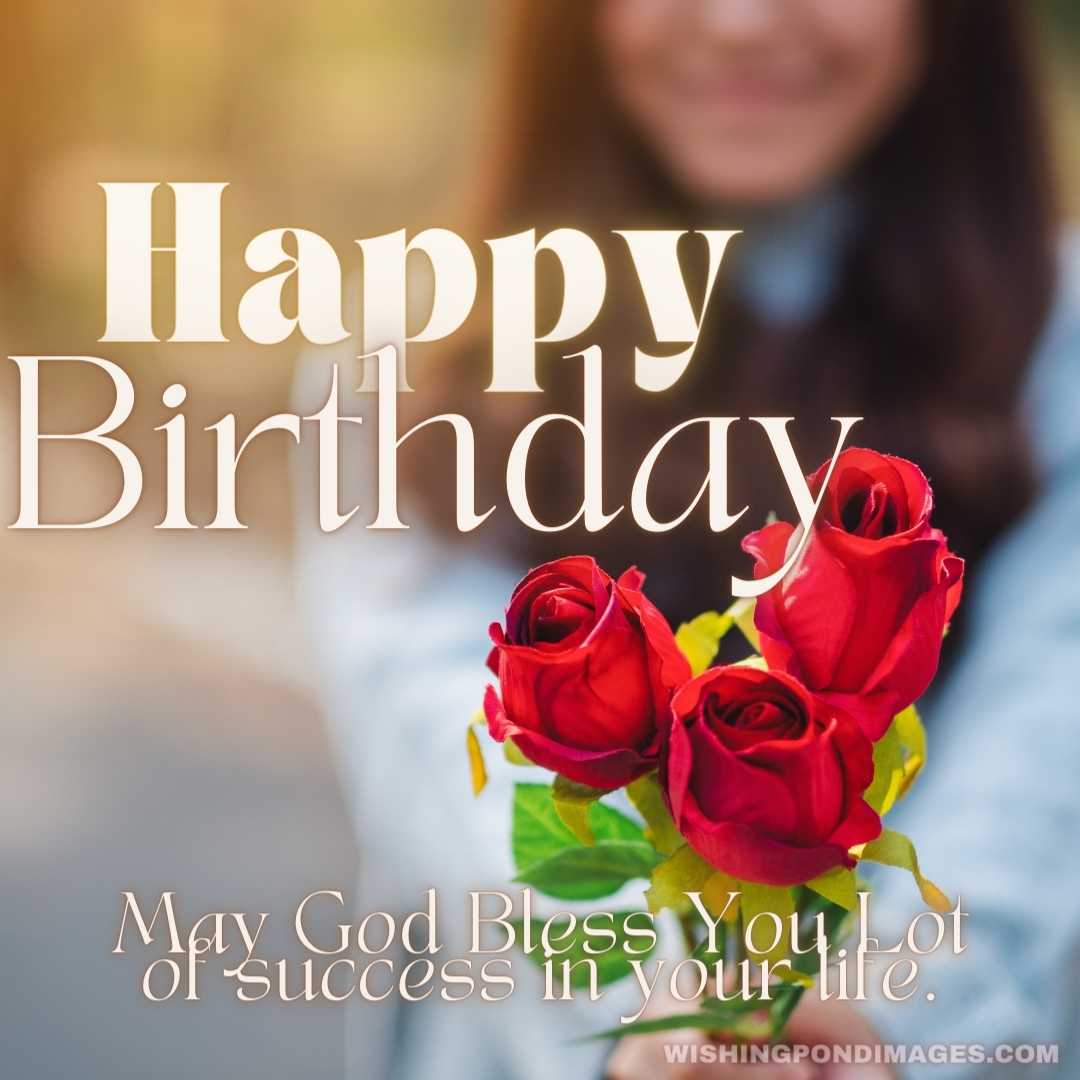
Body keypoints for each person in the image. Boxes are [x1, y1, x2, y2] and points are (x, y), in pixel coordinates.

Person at [295, 2, 1080, 1076]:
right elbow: (432, 719)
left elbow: (1047, 740)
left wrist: (881, 1019)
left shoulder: (1061, 345)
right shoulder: (420, 346)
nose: (743, 22)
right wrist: (653, 1006)